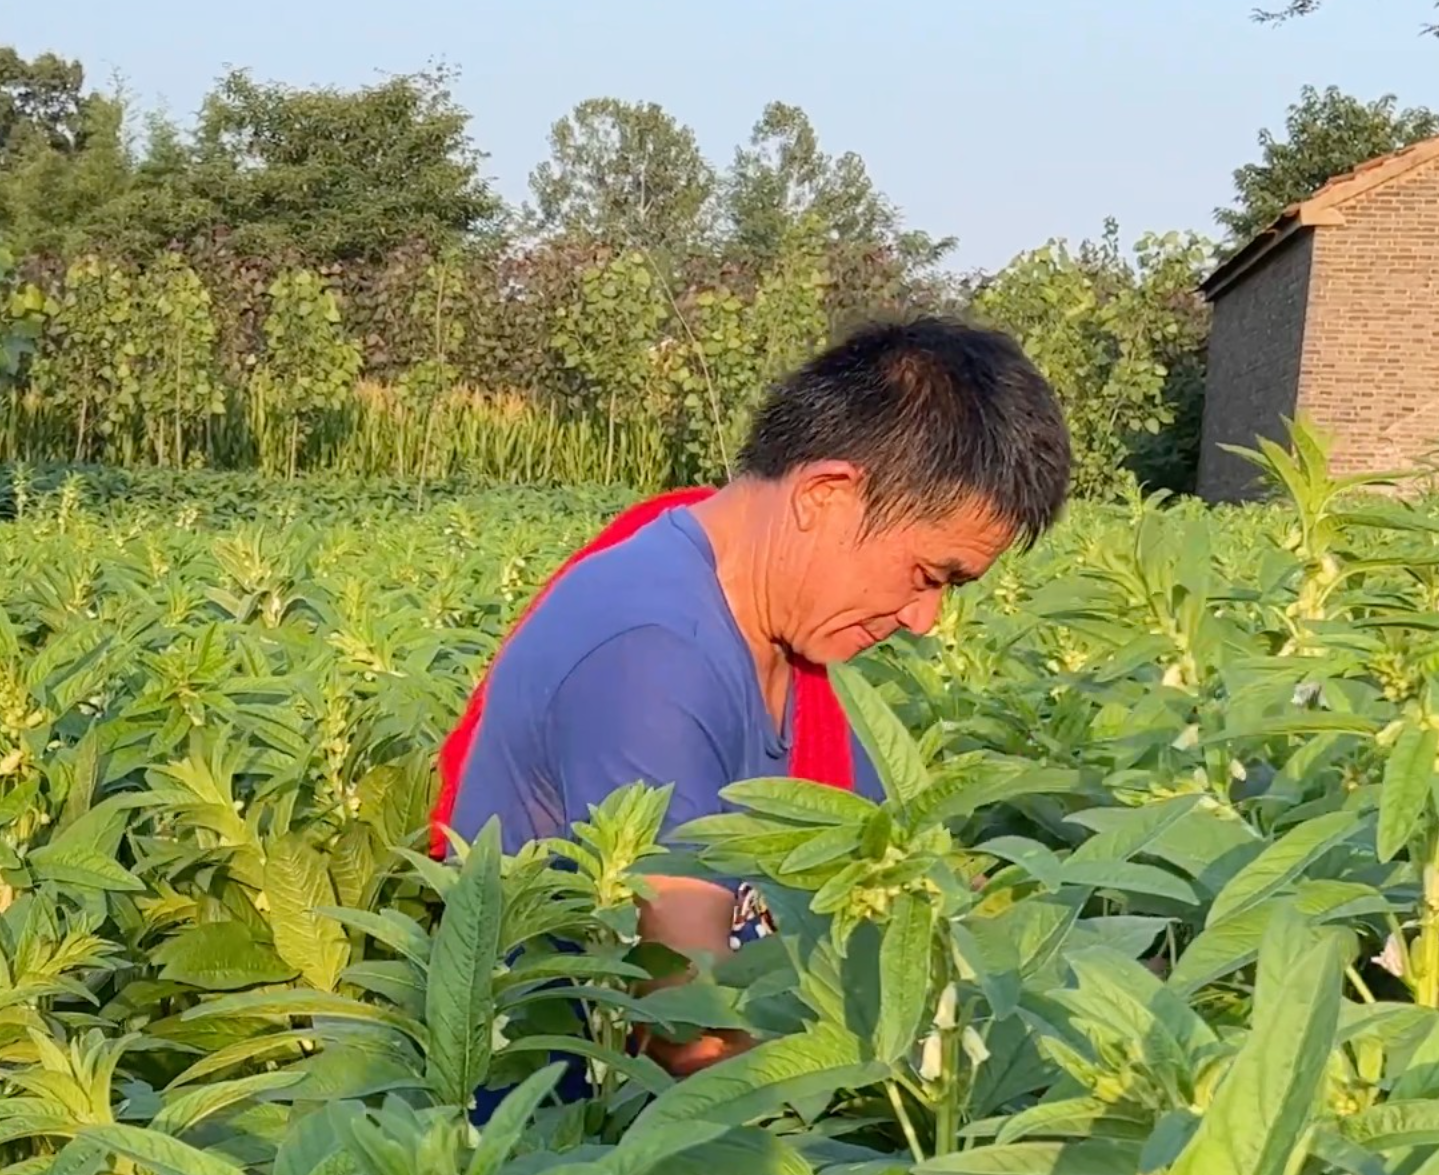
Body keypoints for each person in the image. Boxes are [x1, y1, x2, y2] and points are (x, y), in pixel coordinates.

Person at [430, 319, 1070, 1073]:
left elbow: (889, 864)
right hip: (575, 1145)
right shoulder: (652, 655)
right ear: (827, 495)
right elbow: (688, 1027)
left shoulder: (783, 635)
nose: (925, 621)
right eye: (930, 576)